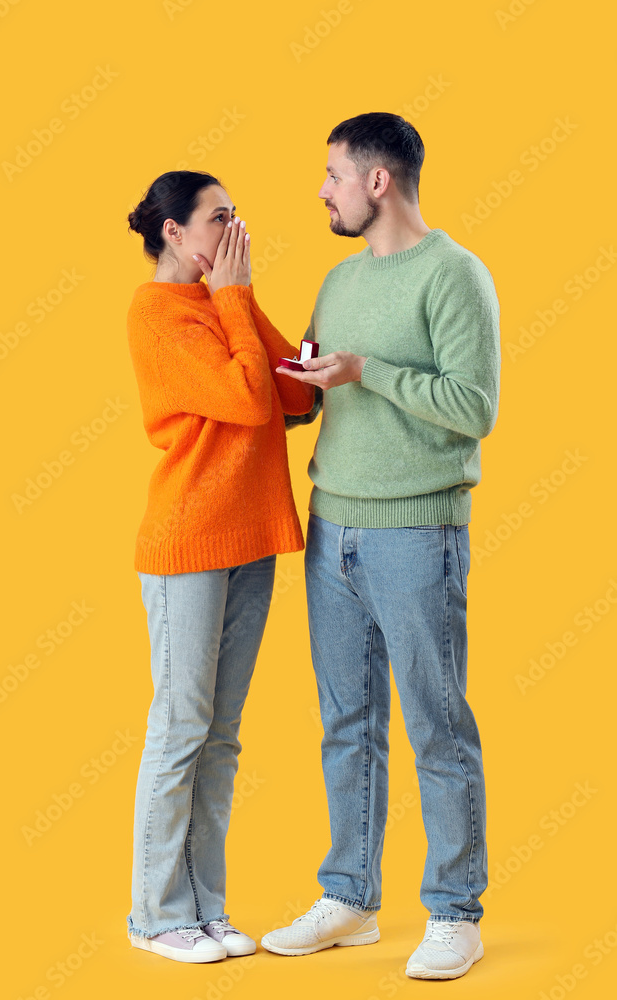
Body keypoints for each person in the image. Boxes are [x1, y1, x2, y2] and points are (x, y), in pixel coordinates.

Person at [260, 112, 501, 981]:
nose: (320, 189)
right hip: (333, 528)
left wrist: (368, 372)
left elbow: (474, 408)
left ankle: (454, 912)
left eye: (330, 174)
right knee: (346, 724)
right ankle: (352, 898)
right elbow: (316, 397)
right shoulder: (334, 278)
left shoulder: (455, 276)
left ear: (377, 181)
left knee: (436, 724)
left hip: (417, 532)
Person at [125, 170, 314, 964]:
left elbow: (296, 396)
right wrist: (237, 298)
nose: (234, 229)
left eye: (237, 213)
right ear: (174, 231)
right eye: (218, 217)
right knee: (180, 728)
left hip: (248, 540)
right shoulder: (157, 311)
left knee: (221, 735)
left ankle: (205, 907)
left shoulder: (222, 301)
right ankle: (155, 914)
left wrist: (242, 301)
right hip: (189, 541)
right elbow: (244, 399)